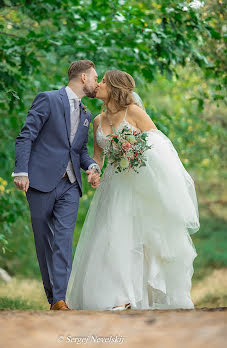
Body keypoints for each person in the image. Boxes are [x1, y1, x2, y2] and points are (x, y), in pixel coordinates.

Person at [66, 69, 200, 311]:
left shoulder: (135, 113)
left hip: (137, 185)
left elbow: (160, 145)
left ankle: (142, 296)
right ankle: (118, 297)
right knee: (110, 235)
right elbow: (98, 156)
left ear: (114, 87)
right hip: (112, 186)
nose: (99, 85)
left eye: (103, 81)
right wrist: (94, 171)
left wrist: (134, 151)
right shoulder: (97, 120)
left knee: (137, 239)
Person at [12, 60, 101, 311]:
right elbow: (26, 135)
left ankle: (60, 300)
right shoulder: (48, 99)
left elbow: (80, 150)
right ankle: (53, 298)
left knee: (63, 240)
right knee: (43, 240)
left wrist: (92, 167)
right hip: (40, 182)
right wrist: (21, 171)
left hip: (71, 185)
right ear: (83, 77)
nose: (97, 82)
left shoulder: (87, 114)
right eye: (95, 77)